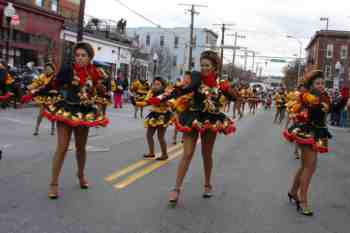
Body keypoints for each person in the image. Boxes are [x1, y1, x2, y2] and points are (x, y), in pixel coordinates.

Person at [158, 51, 237, 205]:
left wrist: (229, 90)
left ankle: (207, 184)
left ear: (215, 67)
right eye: (202, 65)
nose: (204, 68)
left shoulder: (220, 82)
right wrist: (162, 97)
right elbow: (184, 89)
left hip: (211, 119)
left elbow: (234, 97)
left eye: (207, 65)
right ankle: (176, 188)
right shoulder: (197, 77)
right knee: (187, 153)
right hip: (193, 117)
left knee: (207, 155)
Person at [42, 42, 110, 199]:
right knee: (62, 147)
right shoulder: (67, 70)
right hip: (66, 109)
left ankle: (80, 175)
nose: (79, 58)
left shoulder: (95, 72)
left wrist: (100, 91)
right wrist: (36, 93)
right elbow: (53, 84)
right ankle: (53, 183)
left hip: (83, 112)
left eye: (83, 55)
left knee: (81, 148)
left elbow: (100, 91)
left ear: (90, 57)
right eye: (77, 55)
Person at [284, 70, 332, 216]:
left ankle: (293, 192)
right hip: (307, 131)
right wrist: (321, 103)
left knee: (307, 166)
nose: (321, 85)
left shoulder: (323, 96)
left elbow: (331, 109)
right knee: (309, 167)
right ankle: (303, 200)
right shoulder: (307, 97)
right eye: (318, 83)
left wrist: (344, 96)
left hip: (318, 132)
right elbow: (315, 111)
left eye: (323, 83)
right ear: (311, 86)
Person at [137, 76, 172, 160]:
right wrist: (136, 103)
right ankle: (151, 152)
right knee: (149, 135)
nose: (155, 86)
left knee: (160, 136)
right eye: (154, 84)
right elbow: (147, 102)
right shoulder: (151, 92)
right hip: (153, 114)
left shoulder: (166, 93)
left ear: (162, 86)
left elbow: (171, 103)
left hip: (163, 115)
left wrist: (164, 101)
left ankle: (164, 154)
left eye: (158, 84)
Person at [25, 63, 57, 136]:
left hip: (52, 98)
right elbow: (36, 83)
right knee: (40, 114)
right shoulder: (43, 76)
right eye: (46, 69)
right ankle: (36, 129)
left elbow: (57, 87)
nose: (47, 70)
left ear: (52, 70)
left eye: (49, 69)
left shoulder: (55, 77)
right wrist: (29, 87)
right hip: (44, 97)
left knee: (53, 114)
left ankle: (52, 129)